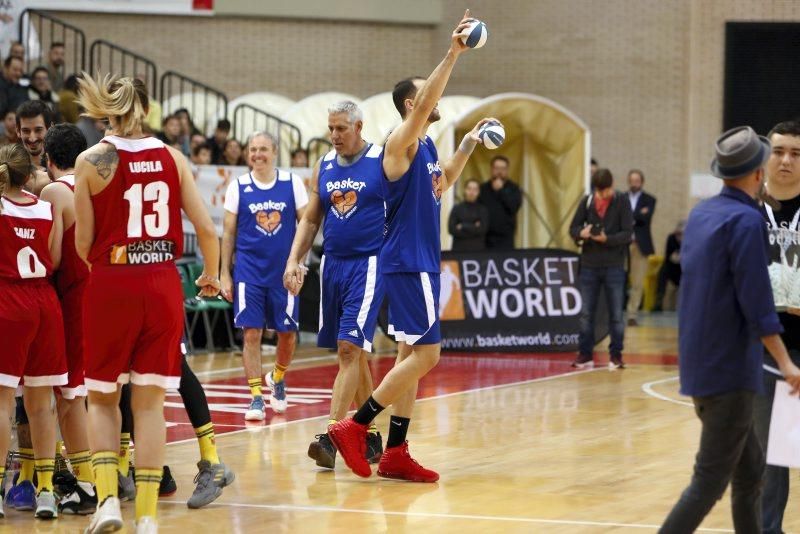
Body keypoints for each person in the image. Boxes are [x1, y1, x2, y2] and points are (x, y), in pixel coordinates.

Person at [326, 10, 494, 482]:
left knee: (407, 357)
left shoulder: (428, 150)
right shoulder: (400, 141)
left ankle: (397, 450)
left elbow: (442, 186)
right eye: (425, 95)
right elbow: (424, 106)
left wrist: (469, 146)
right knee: (428, 356)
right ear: (410, 104)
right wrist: (453, 53)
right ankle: (355, 427)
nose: (433, 100)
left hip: (419, 259)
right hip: (407, 260)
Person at [74, 74, 220, 533]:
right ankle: (149, 518)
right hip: (163, 282)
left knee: (102, 400)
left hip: (113, 280)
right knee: (150, 404)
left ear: (107, 109)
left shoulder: (89, 161)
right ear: (148, 108)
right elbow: (208, 231)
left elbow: (83, 243)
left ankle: (108, 502)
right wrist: (211, 277)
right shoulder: (173, 157)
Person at [660, 126, 800, 533]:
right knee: (707, 484)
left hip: (700, 366)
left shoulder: (703, 213)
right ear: (759, 171)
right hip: (732, 374)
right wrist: (786, 363)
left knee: (753, 470)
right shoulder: (746, 220)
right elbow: (757, 305)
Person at [283, 101, 385, 469]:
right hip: (333, 265)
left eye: (341, 128)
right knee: (355, 354)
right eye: (331, 128)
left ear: (359, 126)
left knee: (348, 349)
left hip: (369, 263)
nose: (334, 135)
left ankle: (331, 434)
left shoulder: (381, 160)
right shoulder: (323, 165)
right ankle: (370, 433)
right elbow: (310, 220)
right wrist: (294, 259)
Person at [0, 143, 68, 519]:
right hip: (44, 303)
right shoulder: (47, 208)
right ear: (30, 176)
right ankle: (45, 490)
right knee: (42, 405)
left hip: (7, 300)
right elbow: (54, 260)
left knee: (2, 403)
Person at [220, 132, 308, 421]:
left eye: (263, 149)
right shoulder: (238, 186)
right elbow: (229, 233)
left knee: (287, 334)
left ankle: (278, 377)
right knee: (252, 333)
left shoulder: (291, 183)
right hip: (249, 273)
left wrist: (300, 265)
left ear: (275, 152)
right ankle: (256, 397)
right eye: (253, 149)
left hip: (283, 273)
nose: (257, 154)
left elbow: (307, 225)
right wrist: (224, 273)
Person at [39, 123, 98, 515]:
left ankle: (89, 484)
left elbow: (52, 258)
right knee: (99, 395)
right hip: (106, 294)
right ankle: (109, 477)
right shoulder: (96, 186)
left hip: (73, 300)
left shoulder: (55, 192)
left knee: (69, 397)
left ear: (48, 157)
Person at [753, 120, 800, 534]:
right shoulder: (745, 208)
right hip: (765, 348)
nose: (786, 160)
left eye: (796, 153)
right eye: (779, 150)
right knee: (774, 452)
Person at [569, 168, 633, 370]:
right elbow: (573, 229)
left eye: (606, 191)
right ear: (595, 188)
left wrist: (607, 239)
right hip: (589, 265)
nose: (603, 195)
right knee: (586, 313)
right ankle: (585, 354)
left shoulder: (622, 201)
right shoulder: (587, 201)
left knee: (616, 314)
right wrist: (583, 232)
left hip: (614, 265)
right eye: (600, 191)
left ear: (612, 186)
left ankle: (616, 355)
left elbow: (627, 234)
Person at [625, 169, 656, 326]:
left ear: (642, 182)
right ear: (628, 181)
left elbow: (645, 218)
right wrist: (637, 215)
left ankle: (632, 314)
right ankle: (614, 313)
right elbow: (621, 219)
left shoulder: (650, 199)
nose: (634, 183)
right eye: (632, 180)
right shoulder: (621, 198)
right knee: (618, 279)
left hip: (640, 245)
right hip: (622, 245)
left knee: (637, 282)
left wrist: (629, 216)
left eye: (637, 181)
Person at [478, 155, 522, 249]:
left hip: (506, 239)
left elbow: (514, 207)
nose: (499, 172)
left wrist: (501, 191)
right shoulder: (483, 189)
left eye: (503, 168)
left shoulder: (514, 188)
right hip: (485, 239)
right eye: (497, 168)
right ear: (491, 169)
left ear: (507, 170)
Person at [16, 100, 51, 195]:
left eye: (38, 130)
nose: (32, 138)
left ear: (50, 128)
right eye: (26, 131)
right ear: (18, 131)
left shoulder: (62, 167)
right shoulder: (10, 170)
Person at [448, 177, 489, 251]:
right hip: (458, 250)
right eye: (469, 188)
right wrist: (474, 226)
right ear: (464, 190)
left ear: (479, 192)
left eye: (475, 189)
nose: (471, 192)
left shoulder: (483, 210)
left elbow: (483, 229)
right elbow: (451, 229)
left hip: (478, 251)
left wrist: (462, 226)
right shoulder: (457, 208)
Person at [658, 220, 683, 311]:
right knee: (662, 272)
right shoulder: (671, 238)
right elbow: (669, 255)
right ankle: (658, 301)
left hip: (682, 268)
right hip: (670, 266)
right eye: (678, 234)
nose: (680, 236)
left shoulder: (689, 239)